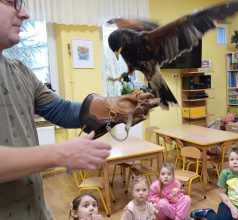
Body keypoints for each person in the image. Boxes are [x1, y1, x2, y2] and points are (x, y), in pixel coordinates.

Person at [0, 1, 158, 219]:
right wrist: (60, 153)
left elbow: (61, 110)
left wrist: (112, 106)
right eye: (12, 2)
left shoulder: (20, 70)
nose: (25, 13)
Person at [190, 146, 238, 220]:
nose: (234, 162)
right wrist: (232, 208)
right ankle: (208, 212)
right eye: (231, 159)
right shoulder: (225, 173)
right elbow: (222, 193)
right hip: (227, 206)